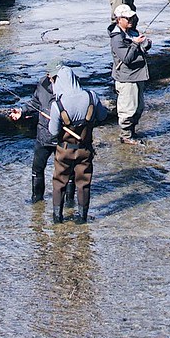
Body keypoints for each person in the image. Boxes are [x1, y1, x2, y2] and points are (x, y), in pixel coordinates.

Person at [46, 67, 111, 224]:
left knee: (59, 183)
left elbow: (53, 132)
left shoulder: (57, 105)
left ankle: (57, 219)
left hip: (64, 151)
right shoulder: (92, 97)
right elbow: (102, 116)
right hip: (85, 150)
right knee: (84, 184)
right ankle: (82, 219)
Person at [8, 63, 61, 202]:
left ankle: (68, 203)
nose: (51, 78)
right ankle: (36, 201)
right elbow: (35, 103)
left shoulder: (68, 88)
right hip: (43, 135)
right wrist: (22, 111)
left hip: (62, 138)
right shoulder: (42, 84)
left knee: (65, 173)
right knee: (37, 169)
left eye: (54, 76)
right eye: (49, 75)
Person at [109, 5, 151, 144]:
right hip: (127, 79)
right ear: (119, 20)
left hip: (138, 76)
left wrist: (145, 44)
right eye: (127, 18)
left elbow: (140, 47)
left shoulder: (131, 31)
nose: (131, 20)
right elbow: (126, 58)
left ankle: (131, 132)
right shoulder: (116, 39)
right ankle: (126, 136)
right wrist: (135, 44)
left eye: (132, 17)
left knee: (139, 108)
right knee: (128, 110)